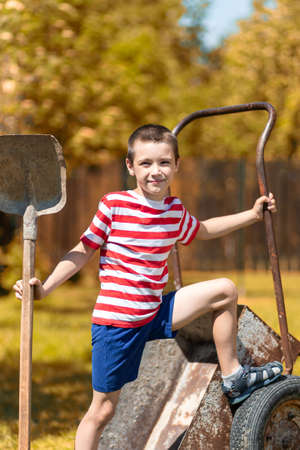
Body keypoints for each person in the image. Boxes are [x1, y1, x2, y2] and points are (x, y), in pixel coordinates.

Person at [13, 124, 283, 450]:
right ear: (130, 166)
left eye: (164, 162)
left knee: (224, 289)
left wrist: (252, 215)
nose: (156, 171)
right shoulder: (114, 205)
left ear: (177, 165)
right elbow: (83, 250)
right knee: (103, 409)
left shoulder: (174, 211)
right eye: (146, 163)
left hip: (154, 312)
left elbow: (203, 229)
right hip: (118, 324)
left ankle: (233, 377)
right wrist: (45, 288)